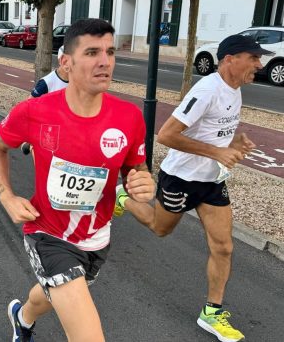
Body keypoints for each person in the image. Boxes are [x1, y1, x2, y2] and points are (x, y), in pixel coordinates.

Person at [0, 18, 156, 342]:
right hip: (47, 233)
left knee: (48, 293)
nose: (105, 61)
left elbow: (137, 170)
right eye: (92, 52)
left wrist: (143, 182)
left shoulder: (130, 117)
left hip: (96, 239)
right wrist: (6, 196)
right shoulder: (34, 111)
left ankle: (21, 318)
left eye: (109, 51)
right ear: (66, 62)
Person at [114, 34, 271, 342]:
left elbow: (216, 131)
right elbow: (166, 135)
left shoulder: (235, 89)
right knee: (160, 228)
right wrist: (216, 152)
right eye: (253, 58)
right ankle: (123, 197)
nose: (259, 64)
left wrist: (234, 142)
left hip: (212, 182)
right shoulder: (206, 90)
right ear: (230, 60)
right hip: (181, 178)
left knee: (224, 246)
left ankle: (211, 313)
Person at [21, 46, 69, 155]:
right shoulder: (47, 82)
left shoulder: (78, 82)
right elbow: (29, 105)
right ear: (61, 60)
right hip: (48, 132)